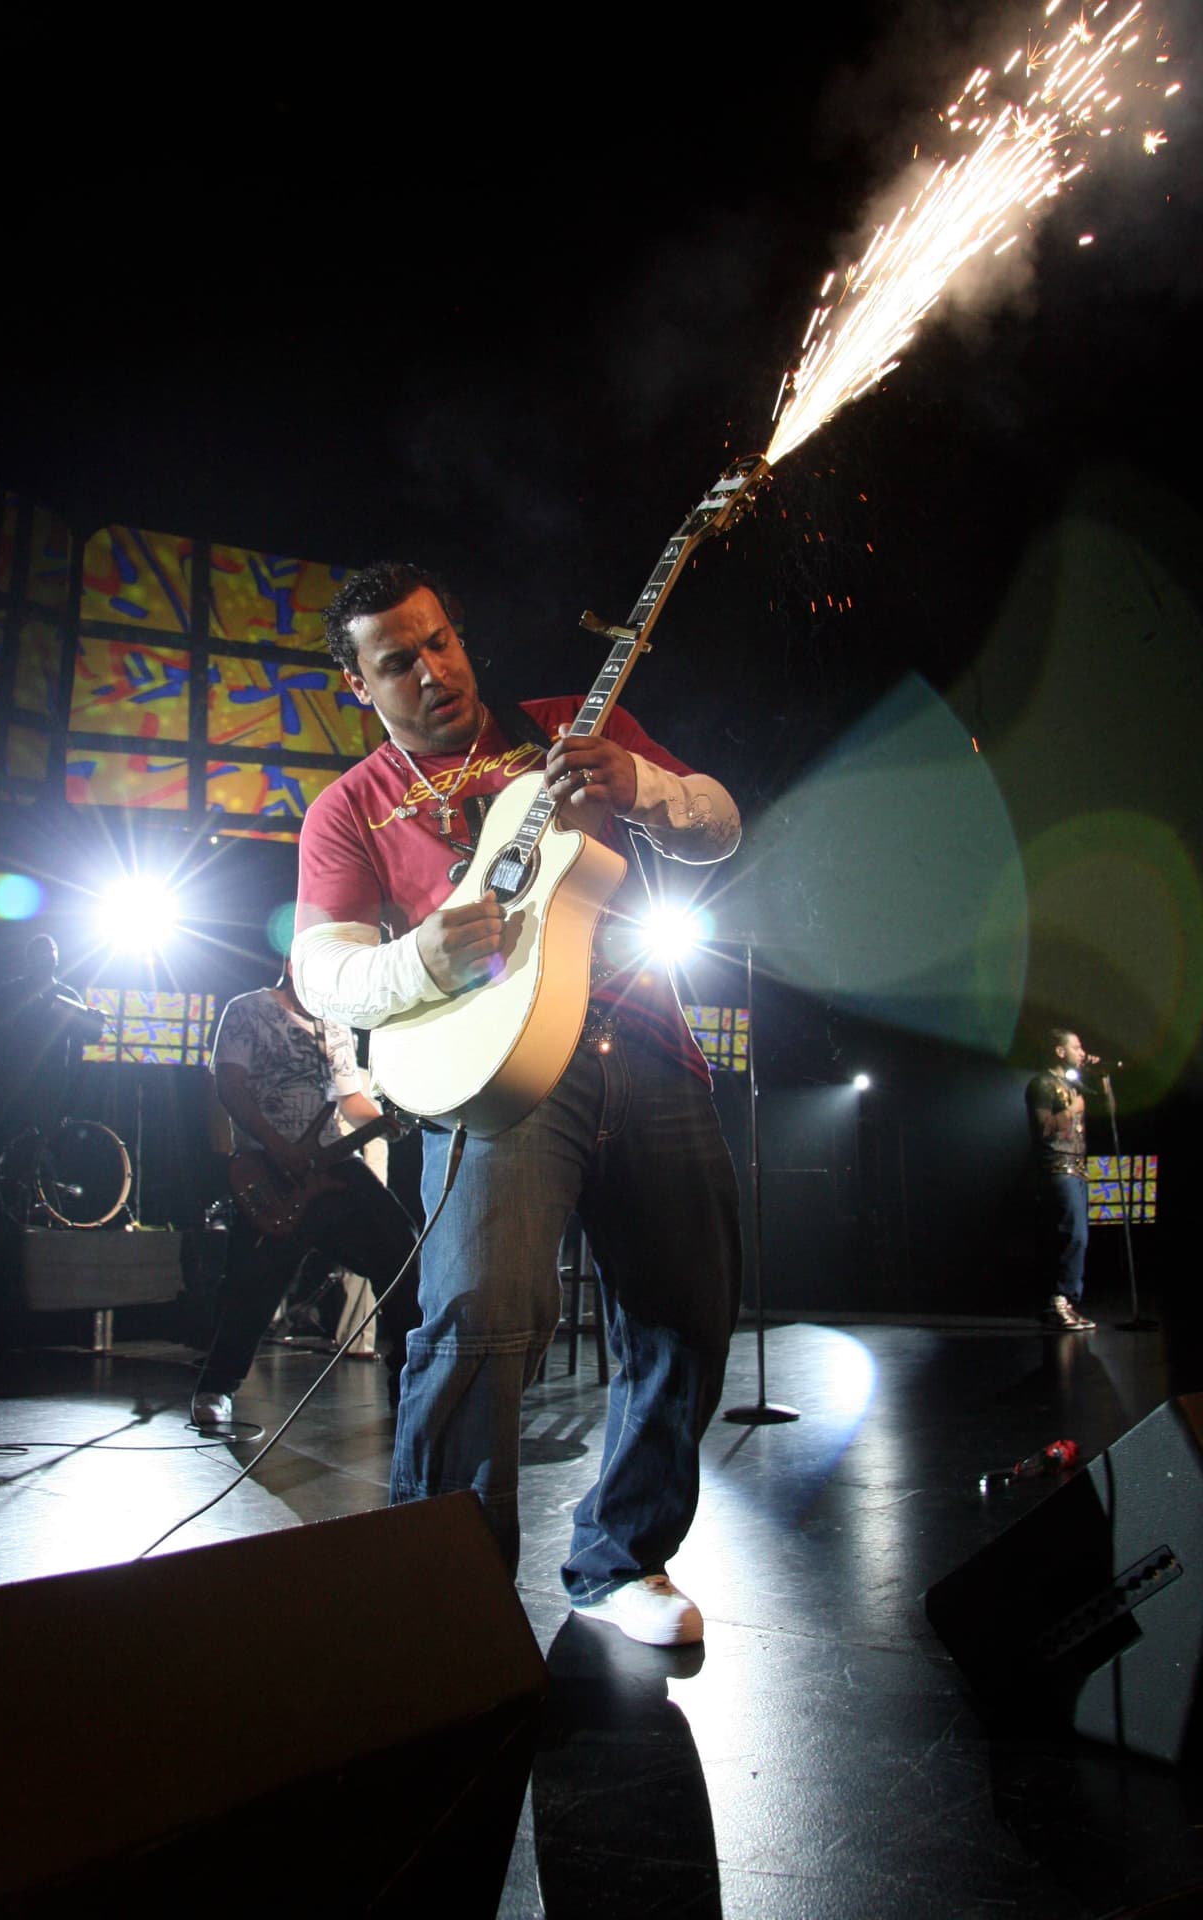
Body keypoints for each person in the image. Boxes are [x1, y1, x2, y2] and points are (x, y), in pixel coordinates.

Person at [291, 561, 744, 1647]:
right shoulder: (348, 808)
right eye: (396, 661)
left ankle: (622, 1561)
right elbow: (323, 973)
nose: (432, 670)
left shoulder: (563, 728)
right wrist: (419, 959)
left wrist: (638, 787)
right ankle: (445, 1599)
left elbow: (718, 823)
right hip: (493, 1071)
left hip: (645, 1043)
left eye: (439, 640)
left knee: (687, 1314)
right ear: (359, 685)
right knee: (477, 1325)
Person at [191, 957, 421, 1427]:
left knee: (402, 1251)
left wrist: (382, 1122)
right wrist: (278, 1147)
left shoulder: (335, 1026)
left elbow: (350, 1102)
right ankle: (217, 1386)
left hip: (335, 1169)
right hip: (269, 1169)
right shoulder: (247, 1010)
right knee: (253, 1286)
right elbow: (230, 1088)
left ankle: (409, 1387)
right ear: (295, 964)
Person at [1025, 1029, 1097, 1331]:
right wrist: (1072, 1110)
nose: (1081, 1052)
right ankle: (1058, 1300)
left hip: (1078, 1168)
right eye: (1076, 1047)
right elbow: (1043, 1129)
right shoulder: (1042, 1085)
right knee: (1073, 1235)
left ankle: (1066, 1302)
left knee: (1079, 1236)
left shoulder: (1073, 1083)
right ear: (1059, 1051)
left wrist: (1100, 1078)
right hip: (1057, 1167)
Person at [0, 933, 106, 1136]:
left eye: (47, 956)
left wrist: (94, 1021)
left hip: (49, 1084)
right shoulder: (13, 992)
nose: (43, 961)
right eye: (39, 956)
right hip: (12, 1081)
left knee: (41, 1146)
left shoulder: (67, 997)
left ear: (54, 960)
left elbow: (91, 1035)